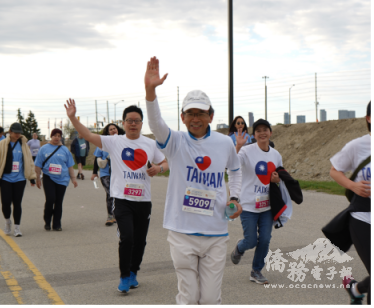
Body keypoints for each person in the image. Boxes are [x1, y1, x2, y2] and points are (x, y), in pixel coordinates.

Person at [144, 56, 241, 305]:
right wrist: (150, 91)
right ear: (182, 116)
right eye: (190, 113)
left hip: (215, 232)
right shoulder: (175, 141)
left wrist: (234, 197)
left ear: (210, 115)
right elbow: (156, 124)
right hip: (181, 232)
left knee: (210, 298)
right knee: (188, 296)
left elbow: (236, 170)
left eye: (201, 113)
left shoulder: (223, 142)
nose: (195, 118)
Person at [67, 102, 167, 293]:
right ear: (123, 122)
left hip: (143, 201)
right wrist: (72, 118)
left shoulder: (150, 144)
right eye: (129, 120)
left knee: (140, 240)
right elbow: (88, 135)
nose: (133, 124)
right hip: (122, 199)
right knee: (127, 237)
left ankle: (133, 272)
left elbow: (165, 162)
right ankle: (123, 276)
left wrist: (159, 168)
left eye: (137, 121)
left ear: (141, 123)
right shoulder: (114, 141)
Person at [229, 119, 283, 285]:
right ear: (254, 135)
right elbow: (233, 166)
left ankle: (256, 271)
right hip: (248, 205)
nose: (262, 133)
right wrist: (237, 146)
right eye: (258, 130)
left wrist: (277, 179)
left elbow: (281, 176)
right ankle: (240, 247)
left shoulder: (276, 155)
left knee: (265, 239)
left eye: (265, 129)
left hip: (267, 206)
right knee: (251, 240)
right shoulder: (246, 151)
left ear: (270, 133)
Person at [329, 101, 370, 305]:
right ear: (369, 118)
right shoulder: (358, 145)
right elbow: (334, 170)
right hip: (363, 217)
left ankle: (356, 288)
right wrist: (353, 186)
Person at [0, 122, 36, 237]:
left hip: (20, 179)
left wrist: (32, 177)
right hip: (5, 179)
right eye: (15, 133)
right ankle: (7, 222)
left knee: (17, 203)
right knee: (6, 203)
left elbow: (29, 161)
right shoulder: (2, 144)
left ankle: (17, 228)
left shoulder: (24, 145)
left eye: (19, 133)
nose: (17, 135)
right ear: (10, 132)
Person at [34, 127, 77, 231]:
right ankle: (47, 221)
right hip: (48, 177)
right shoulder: (44, 148)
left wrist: (73, 179)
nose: (57, 138)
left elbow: (70, 165)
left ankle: (57, 224)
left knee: (58, 202)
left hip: (62, 179)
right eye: (55, 135)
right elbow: (38, 165)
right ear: (51, 136)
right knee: (50, 199)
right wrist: (38, 178)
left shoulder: (65, 150)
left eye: (59, 136)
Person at [92, 123, 124, 226]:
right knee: (110, 193)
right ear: (107, 132)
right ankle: (110, 216)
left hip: (119, 173)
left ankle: (118, 215)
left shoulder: (123, 142)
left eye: (114, 128)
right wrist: (94, 172)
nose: (113, 130)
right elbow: (96, 159)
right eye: (111, 129)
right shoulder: (103, 144)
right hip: (105, 173)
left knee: (119, 193)